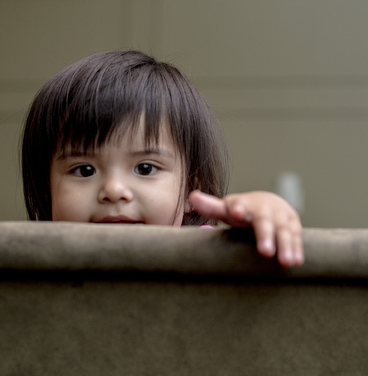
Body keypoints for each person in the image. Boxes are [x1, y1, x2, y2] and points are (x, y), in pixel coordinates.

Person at [20, 50, 303, 267]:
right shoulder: (28, 264)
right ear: (46, 187)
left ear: (194, 184)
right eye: (84, 170)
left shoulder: (204, 250)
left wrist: (262, 219)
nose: (114, 191)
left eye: (145, 168)